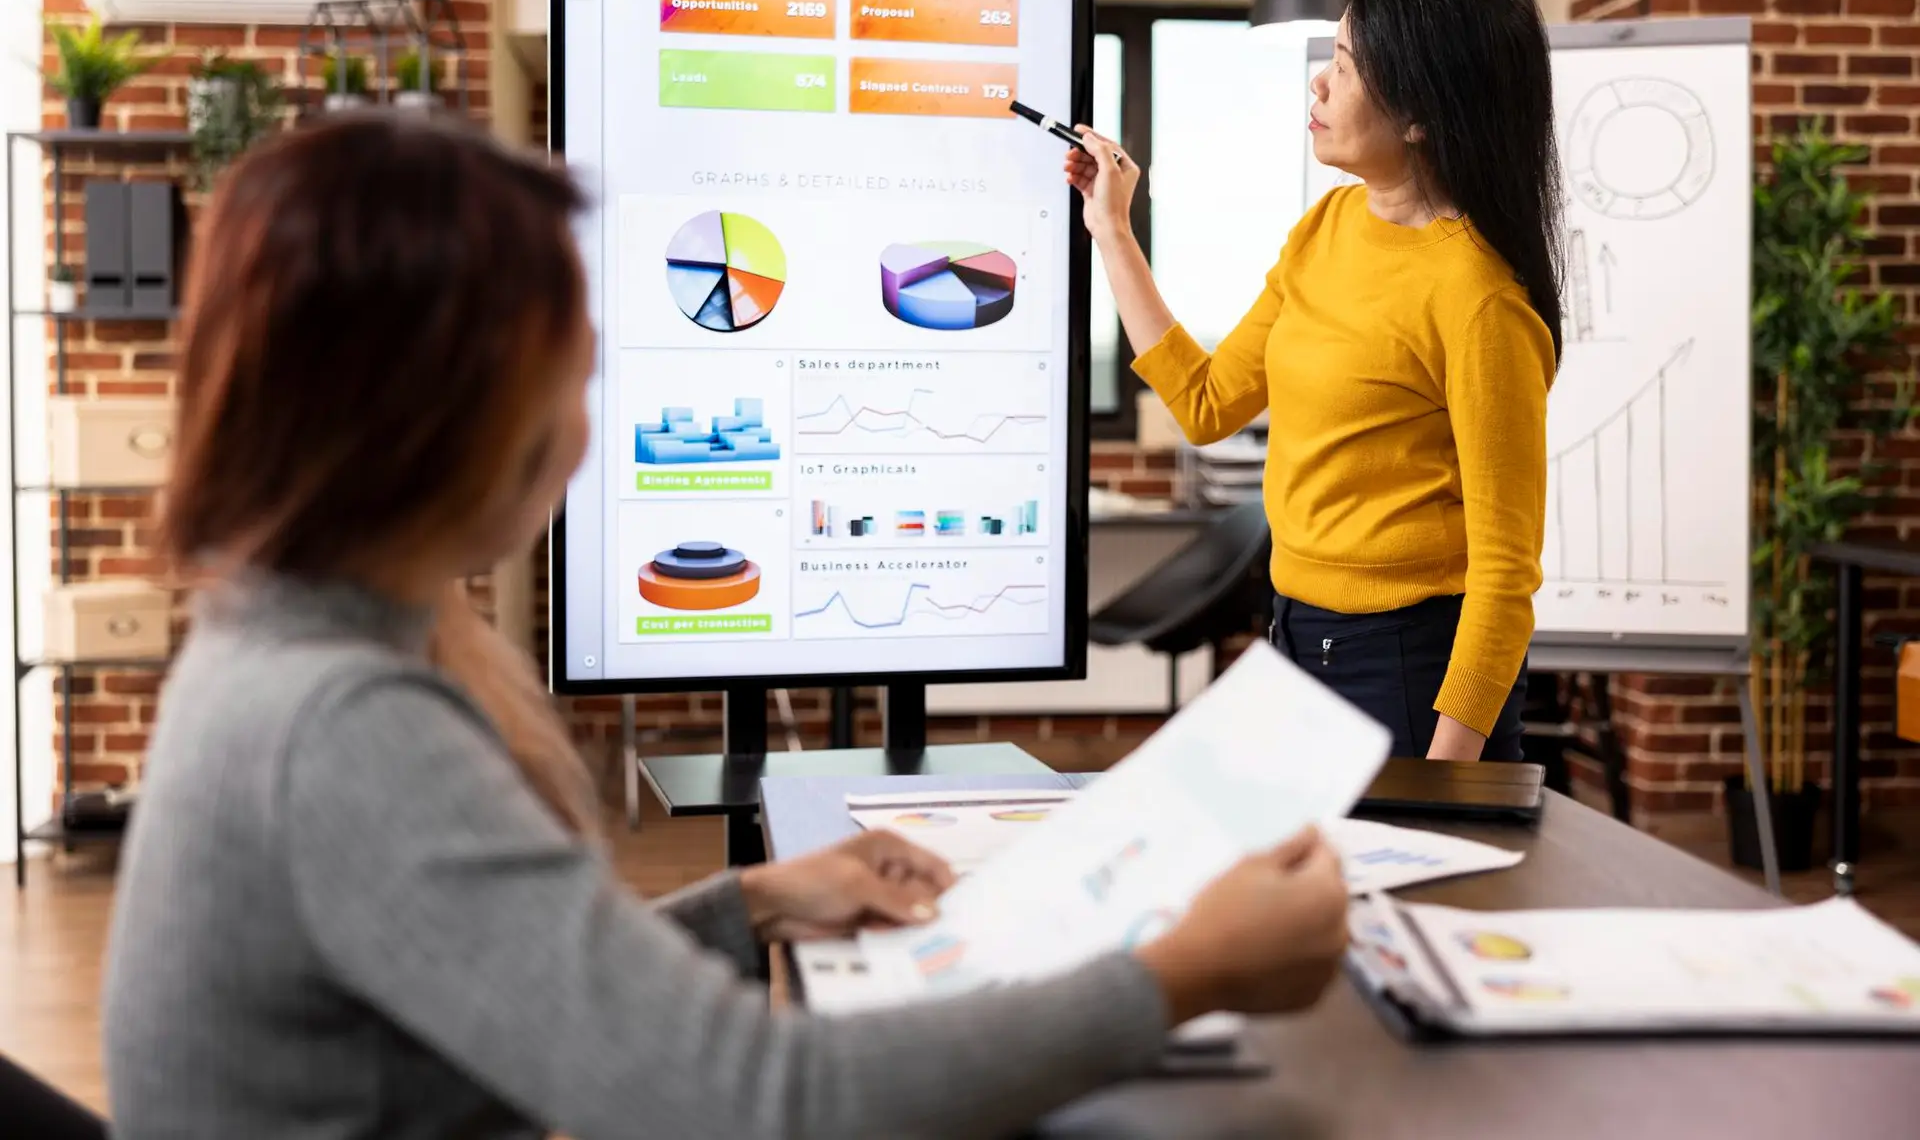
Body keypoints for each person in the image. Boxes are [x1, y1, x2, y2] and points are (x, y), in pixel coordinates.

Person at [101, 112, 1352, 1140]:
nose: (584, 432)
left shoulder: (279, 651)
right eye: (568, 379)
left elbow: (522, 977)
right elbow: (770, 1099)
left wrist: (753, 897)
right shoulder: (342, 728)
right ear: (432, 411)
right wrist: (1186, 972)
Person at [1067, 0, 1562, 764]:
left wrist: (1448, 771)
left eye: (1346, 62)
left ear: (1421, 112)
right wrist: (1112, 227)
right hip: (1297, 640)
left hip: (1410, 672)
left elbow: (1505, 575)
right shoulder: (1326, 227)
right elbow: (1205, 403)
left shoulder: (1478, 297)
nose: (1319, 82)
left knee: (1410, 893)